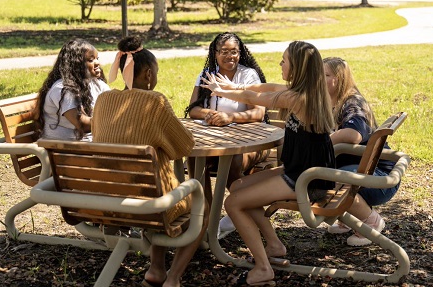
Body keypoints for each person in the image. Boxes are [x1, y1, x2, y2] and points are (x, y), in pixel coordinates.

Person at [202, 41, 335, 287]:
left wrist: (222, 91)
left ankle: (263, 268)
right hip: (298, 172)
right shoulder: (303, 91)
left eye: (284, 61)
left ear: (297, 68)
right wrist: (233, 85)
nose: (280, 64)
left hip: (305, 180)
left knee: (233, 203)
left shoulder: (298, 98)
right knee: (239, 186)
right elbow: (262, 86)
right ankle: (274, 245)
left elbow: (256, 97)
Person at [92, 36, 209, 287]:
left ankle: (156, 270)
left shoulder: (103, 101)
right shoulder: (154, 101)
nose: (155, 77)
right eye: (155, 72)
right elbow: (183, 148)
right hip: (150, 204)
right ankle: (173, 277)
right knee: (203, 204)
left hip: (105, 201)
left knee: (155, 184)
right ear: (147, 74)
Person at [184, 32, 268, 239]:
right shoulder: (206, 74)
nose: (230, 56)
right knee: (195, 160)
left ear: (240, 53)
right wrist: (211, 115)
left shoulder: (248, 75)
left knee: (232, 161)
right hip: (214, 141)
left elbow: (258, 113)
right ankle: (205, 217)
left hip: (252, 143)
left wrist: (229, 117)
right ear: (215, 53)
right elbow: (193, 109)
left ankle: (238, 211)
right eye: (224, 52)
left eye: (234, 52)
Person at [323, 57, 400, 246]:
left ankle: (371, 222)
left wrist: (323, 142)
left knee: (327, 179)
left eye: (325, 75)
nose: (319, 79)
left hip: (378, 178)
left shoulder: (352, 103)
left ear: (340, 79)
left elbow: (354, 134)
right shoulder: (332, 101)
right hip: (365, 170)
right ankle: (348, 219)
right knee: (326, 173)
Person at [35, 38, 110, 141]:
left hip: (87, 144)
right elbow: (83, 124)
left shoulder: (96, 84)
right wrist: (113, 123)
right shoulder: (64, 89)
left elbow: (114, 105)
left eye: (97, 58)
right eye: (91, 60)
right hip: (63, 149)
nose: (97, 63)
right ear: (77, 64)